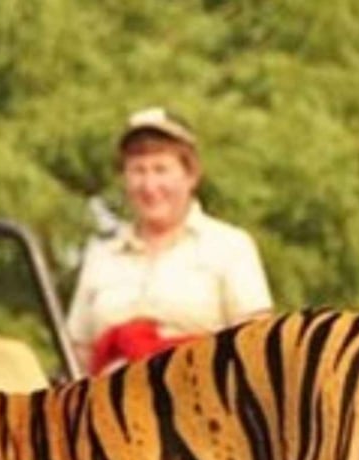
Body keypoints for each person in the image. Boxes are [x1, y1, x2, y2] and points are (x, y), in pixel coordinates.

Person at [65, 107, 273, 375]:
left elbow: (256, 353)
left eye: (161, 169)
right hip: (107, 407)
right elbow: (77, 355)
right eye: (138, 171)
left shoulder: (230, 247)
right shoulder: (101, 256)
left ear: (190, 176)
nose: (149, 185)